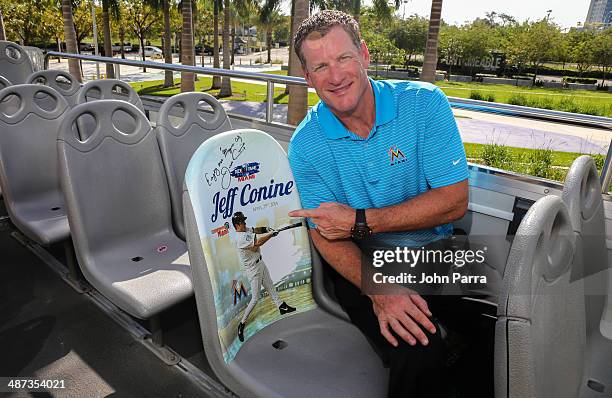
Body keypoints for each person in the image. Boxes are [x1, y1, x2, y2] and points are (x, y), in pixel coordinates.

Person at [287, 10, 495, 398]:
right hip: (362, 263)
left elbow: (453, 202)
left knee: (500, 325)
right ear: (308, 78)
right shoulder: (305, 145)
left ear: (364, 55)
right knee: (419, 349)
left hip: (435, 251)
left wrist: (361, 220)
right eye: (320, 66)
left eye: (344, 58)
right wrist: (381, 290)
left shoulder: (424, 104)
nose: (335, 76)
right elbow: (326, 234)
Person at [232, 211, 296, 342]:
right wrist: (271, 235)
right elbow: (258, 243)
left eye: (244, 221)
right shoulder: (240, 238)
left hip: (260, 263)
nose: (245, 223)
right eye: (242, 222)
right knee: (255, 298)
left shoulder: (245, 231)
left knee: (270, 285)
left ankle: (281, 306)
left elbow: (256, 230)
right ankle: (242, 323)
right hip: (253, 269)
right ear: (237, 225)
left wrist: (267, 229)